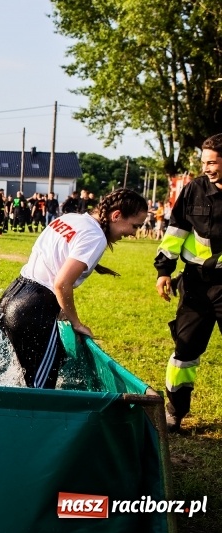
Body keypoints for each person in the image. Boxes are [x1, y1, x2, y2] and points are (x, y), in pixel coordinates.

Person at [0, 188, 147, 389]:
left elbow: (55, 259)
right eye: (134, 226)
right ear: (117, 215)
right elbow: (61, 283)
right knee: (40, 391)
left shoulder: (72, 218)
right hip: (35, 307)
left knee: (19, 378)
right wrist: (76, 323)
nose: (133, 233)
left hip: (13, 294)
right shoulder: (96, 236)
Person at [155, 133, 222, 432]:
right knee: (184, 351)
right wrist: (164, 270)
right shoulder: (194, 188)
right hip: (195, 284)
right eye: (204, 162)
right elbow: (177, 230)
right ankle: (175, 411)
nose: (207, 168)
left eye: (212, 162)